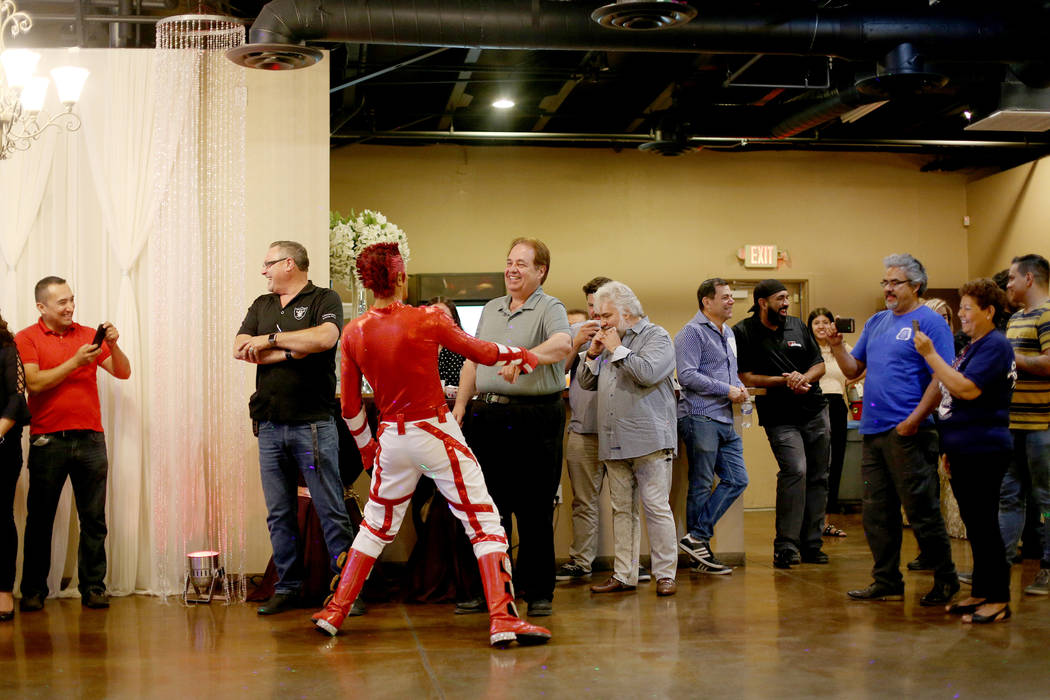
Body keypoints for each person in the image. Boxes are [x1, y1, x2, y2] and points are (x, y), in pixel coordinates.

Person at [312, 242, 552, 647]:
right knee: (484, 521)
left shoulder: (354, 332)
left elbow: (351, 407)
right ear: (401, 277)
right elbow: (484, 352)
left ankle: (336, 610)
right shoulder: (426, 320)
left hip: (391, 438)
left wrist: (370, 450)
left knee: (375, 527)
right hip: (435, 431)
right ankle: (503, 618)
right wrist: (526, 354)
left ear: (367, 282)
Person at [828, 253, 960, 606]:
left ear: (915, 286)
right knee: (876, 511)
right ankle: (886, 579)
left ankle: (946, 579)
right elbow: (854, 370)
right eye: (884, 282)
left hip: (910, 432)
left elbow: (941, 376)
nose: (887, 288)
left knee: (921, 510)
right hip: (874, 432)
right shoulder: (876, 322)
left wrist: (914, 419)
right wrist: (837, 347)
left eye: (895, 282)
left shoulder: (931, 323)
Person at [234, 241, 355, 616]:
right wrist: (291, 350)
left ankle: (348, 590)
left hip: (313, 424)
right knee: (279, 512)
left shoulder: (324, 299)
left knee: (330, 507)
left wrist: (269, 341)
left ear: (289, 263)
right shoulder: (262, 305)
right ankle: (287, 587)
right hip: (269, 424)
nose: (263, 271)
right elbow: (239, 347)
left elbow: (325, 339)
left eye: (268, 263)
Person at [453, 238, 572, 617]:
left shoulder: (549, 307)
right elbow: (472, 361)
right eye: (509, 262)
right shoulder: (491, 309)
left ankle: (538, 593)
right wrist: (458, 411)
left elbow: (562, 345)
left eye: (522, 263)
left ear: (541, 271)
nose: (512, 269)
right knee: (490, 508)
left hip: (535, 417)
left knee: (535, 507)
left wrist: (526, 357)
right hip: (487, 417)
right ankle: (491, 588)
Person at [15, 276, 132, 612]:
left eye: (71, 300)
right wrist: (75, 363)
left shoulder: (86, 336)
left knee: (94, 519)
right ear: (42, 307)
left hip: (91, 439)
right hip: (47, 439)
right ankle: (34, 590)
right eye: (61, 302)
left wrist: (115, 344)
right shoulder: (27, 338)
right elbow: (33, 384)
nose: (70, 307)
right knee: (40, 519)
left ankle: (94, 587)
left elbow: (122, 372)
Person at [915, 279, 1016, 623]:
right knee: (975, 524)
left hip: (984, 447)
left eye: (968, 308)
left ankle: (999, 598)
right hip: (963, 447)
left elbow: (966, 390)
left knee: (985, 524)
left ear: (989, 311)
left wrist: (930, 355)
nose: (962, 314)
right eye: (961, 308)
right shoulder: (973, 346)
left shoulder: (996, 346)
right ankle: (982, 591)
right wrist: (949, 446)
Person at [578, 281, 678, 597]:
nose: (601, 321)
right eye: (598, 314)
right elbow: (584, 381)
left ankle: (665, 574)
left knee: (656, 507)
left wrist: (614, 348)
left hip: (649, 439)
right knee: (622, 509)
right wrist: (593, 354)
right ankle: (624, 574)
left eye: (606, 315)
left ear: (626, 312)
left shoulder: (656, 337)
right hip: (613, 439)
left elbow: (647, 373)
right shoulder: (608, 341)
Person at [734, 279, 829, 569]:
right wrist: (784, 381)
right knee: (795, 470)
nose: (786, 303)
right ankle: (786, 546)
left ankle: (812, 544)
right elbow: (745, 376)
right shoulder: (744, 331)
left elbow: (819, 364)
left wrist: (804, 378)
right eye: (780, 298)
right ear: (763, 302)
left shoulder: (799, 326)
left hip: (814, 411)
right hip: (779, 417)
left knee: (818, 476)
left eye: (788, 297)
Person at [674, 278, 749, 575]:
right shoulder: (691, 333)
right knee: (702, 483)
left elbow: (730, 372)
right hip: (699, 415)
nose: (731, 301)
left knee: (737, 479)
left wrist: (740, 388)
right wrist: (726, 389)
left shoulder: (727, 332)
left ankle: (697, 537)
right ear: (707, 301)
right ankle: (699, 556)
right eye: (726, 297)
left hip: (725, 418)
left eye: (732, 297)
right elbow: (687, 376)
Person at [556, 276, 614, 582]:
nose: (594, 314)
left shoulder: (627, 333)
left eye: (600, 307)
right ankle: (581, 561)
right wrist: (578, 342)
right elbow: (559, 370)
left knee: (625, 502)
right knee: (583, 502)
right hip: (582, 429)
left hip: (618, 432)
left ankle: (628, 561)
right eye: (590, 306)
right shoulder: (574, 331)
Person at [999, 254, 1050, 596]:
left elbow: (1048, 364)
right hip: (1012, 423)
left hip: (1042, 425)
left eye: (1012, 279)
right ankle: (996, 564)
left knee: (1046, 500)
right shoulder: (1017, 317)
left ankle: (1048, 569)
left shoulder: (1048, 314)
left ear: (1030, 279)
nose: (1008, 285)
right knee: (1008, 497)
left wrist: (1010, 357)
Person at [807, 308, 855, 537]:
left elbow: (860, 367)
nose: (821, 327)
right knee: (815, 465)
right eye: (816, 322)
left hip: (837, 406)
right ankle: (808, 522)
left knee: (834, 465)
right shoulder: (807, 349)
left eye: (826, 322)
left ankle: (825, 521)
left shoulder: (841, 349)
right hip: (814, 406)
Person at [0, 311, 30, 622]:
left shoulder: (8, 350)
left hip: (3, 447)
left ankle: (4, 592)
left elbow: (16, 397)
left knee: (0, 518)